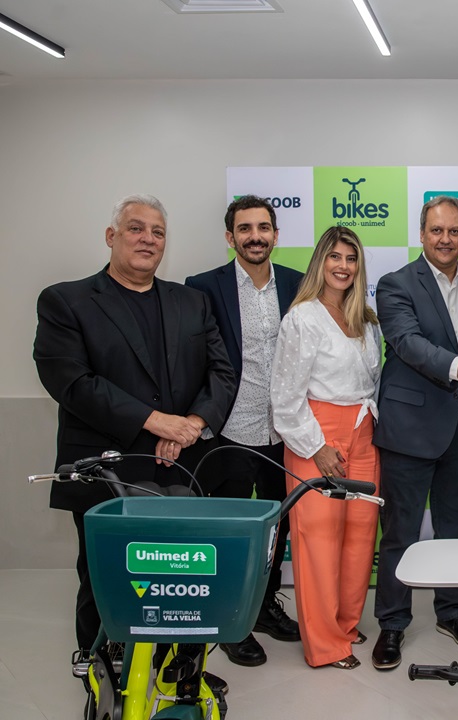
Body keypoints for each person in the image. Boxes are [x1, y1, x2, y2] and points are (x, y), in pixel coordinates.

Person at [33, 194, 235, 687]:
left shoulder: (191, 301)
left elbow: (222, 373)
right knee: (106, 570)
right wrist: (156, 422)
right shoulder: (66, 300)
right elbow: (72, 382)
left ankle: (179, 664)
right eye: (136, 229)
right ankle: (98, 655)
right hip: (107, 465)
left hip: (183, 461)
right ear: (112, 236)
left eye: (158, 232)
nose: (148, 239)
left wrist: (191, 423)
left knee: (184, 573)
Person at [369, 196, 458, 670]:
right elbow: (407, 342)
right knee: (400, 532)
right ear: (422, 234)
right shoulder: (395, 283)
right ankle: (392, 623)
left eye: (454, 231)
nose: (445, 239)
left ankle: (451, 612)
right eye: (436, 231)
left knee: (453, 530)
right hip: (410, 430)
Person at [185, 195, 304, 667]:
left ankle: (265, 606)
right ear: (230, 236)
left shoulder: (297, 283)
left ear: (275, 234)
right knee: (230, 533)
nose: (255, 236)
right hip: (230, 429)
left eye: (263, 228)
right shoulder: (202, 287)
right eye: (245, 228)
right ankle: (230, 618)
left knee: (277, 528)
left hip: (284, 432)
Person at [270, 225, 382, 669]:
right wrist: (317, 446)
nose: (343, 266)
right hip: (315, 434)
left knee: (359, 536)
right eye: (335, 257)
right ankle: (324, 644)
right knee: (318, 541)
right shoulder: (302, 318)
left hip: (363, 431)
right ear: (321, 262)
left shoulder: (365, 320)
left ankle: (346, 625)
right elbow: (285, 397)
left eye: (351, 259)